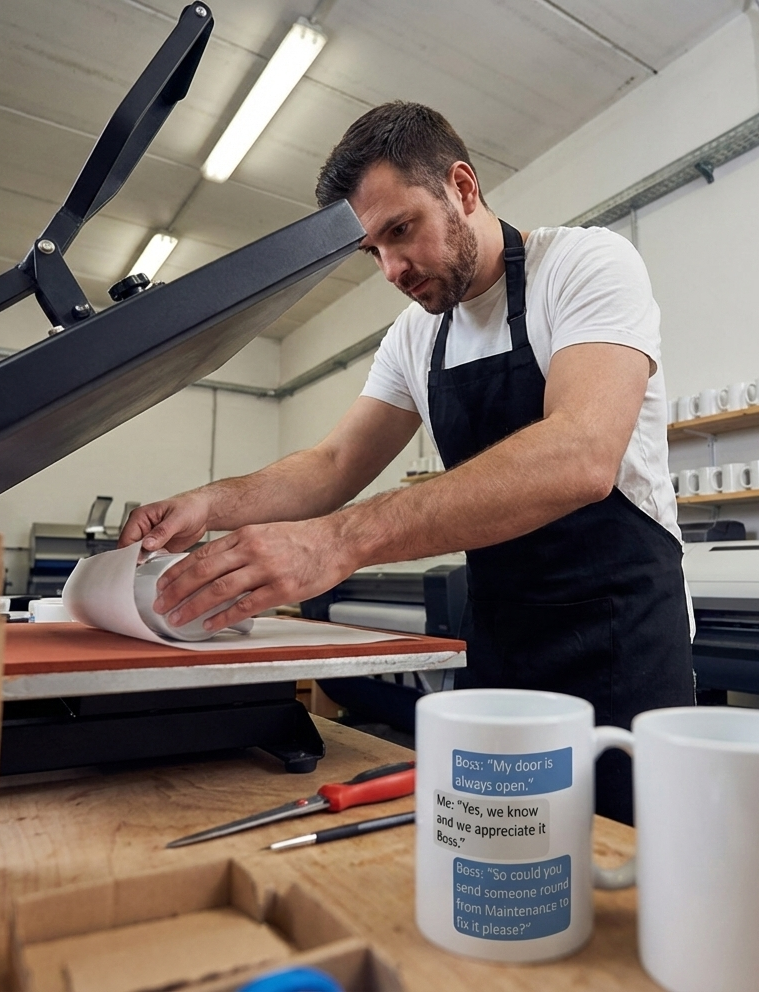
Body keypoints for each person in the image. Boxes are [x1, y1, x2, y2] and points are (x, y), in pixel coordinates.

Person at [120, 102, 694, 822]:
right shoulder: (415, 338)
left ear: (461, 187)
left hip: (621, 646)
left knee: (625, 877)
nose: (392, 269)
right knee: (505, 867)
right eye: (372, 252)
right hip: (502, 645)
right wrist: (209, 504)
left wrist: (339, 541)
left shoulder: (582, 266)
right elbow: (332, 463)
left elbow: (579, 455)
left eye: (400, 231)